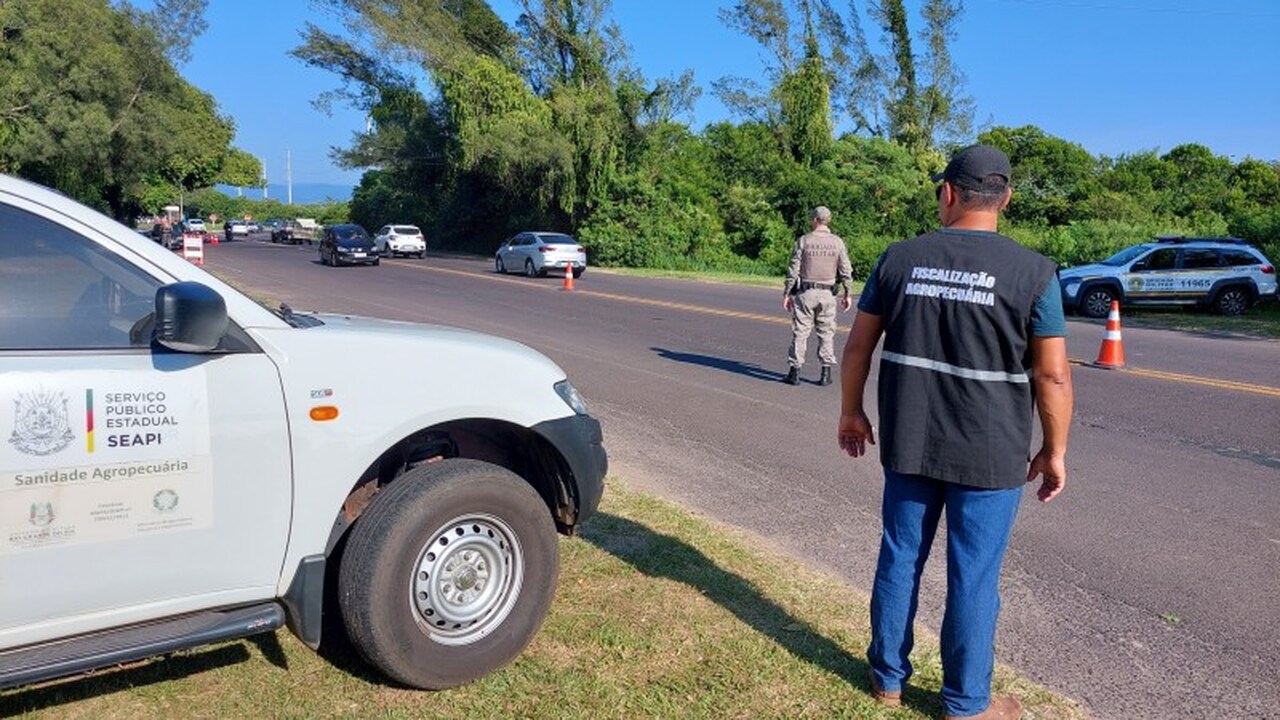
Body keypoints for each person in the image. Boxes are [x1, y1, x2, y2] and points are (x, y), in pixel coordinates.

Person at [837, 145, 1073, 720]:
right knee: (974, 575)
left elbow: (859, 346)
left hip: (909, 442)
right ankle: (967, 703)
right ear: (1006, 199)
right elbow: (1053, 374)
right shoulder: (1034, 273)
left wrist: (851, 412)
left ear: (948, 193)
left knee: (900, 556)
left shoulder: (899, 259)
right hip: (991, 454)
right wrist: (1055, 451)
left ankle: (887, 678)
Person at [783, 206, 853, 386]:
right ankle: (825, 373)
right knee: (826, 332)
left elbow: (793, 270)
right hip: (828, 294)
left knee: (800, 332)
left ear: (815, 220)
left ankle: (795, 372)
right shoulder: (837, 242)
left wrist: (788, 292)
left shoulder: (804, 240)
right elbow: (845, 270)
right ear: (828, 220)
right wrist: (848, 293)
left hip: (806, 292)